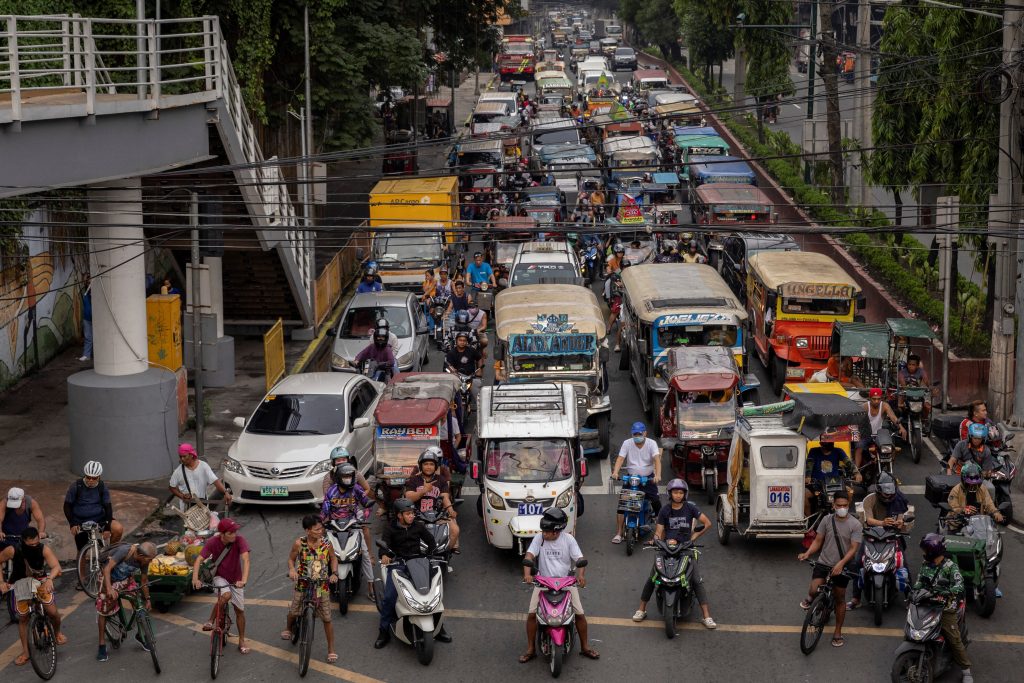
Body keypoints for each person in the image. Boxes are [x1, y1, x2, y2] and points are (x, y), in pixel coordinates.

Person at [631, 479, 717, 628]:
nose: (678, 495)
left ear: (685, 494)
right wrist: (656, 541)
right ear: (670, 493)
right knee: (653, 577)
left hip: (686, 549)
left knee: (696, 580)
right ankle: (641, 609)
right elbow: (659, 531)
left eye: (681, 492)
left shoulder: (690, 508)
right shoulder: (665, 510)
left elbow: (707, 523)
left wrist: (692, 539)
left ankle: (706, 616)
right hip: (666, 548)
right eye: (675, 492)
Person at [519, 508, 599, 663]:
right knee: (531, 615)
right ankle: (531, 649)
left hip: (566, 582)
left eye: (547, 531)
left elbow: (580, 559)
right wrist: (527, 574)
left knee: (579, 614)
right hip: (543, 582)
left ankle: (585, 647)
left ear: (556, 532)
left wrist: (580, 576)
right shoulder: (539, 538)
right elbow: (529, 556)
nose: (544, 533)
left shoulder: (568, 540)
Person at [375, 498, 448, 649]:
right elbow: (384, 544)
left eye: (412, 513)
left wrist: (432, 553)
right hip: (398, 564)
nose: (411, 516)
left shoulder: (418, 526)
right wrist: (384, 555)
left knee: (434, 592)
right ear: (399, 515)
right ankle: (383, 631)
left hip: (418, 562)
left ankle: (439, 628)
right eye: (408, 514)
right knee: (389, 598)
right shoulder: (390, 528)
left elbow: (430, 541)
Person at [797, 492, 861, 648]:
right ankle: (815, 601)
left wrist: (840, 564)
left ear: (848, 505)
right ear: (833, 506)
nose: (842, 508)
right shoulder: (826, 520)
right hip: (824, 562)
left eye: (845, 505)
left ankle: (838, 632)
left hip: (843, 566)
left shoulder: (855, 525)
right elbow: (818, 541)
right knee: (813, 590)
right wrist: (807, 553)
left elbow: (853, 549)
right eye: (839, 505)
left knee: (839, 598)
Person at [0, 526, 66, 666]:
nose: (34, 546)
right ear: (23, 541)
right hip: (19, 583)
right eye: (31, 544)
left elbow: (56, 566)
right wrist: (1, 582)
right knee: (23, 618)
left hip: (40, 581)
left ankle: (57, 632)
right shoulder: (12, 550)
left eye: (36, 543)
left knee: (53, 612)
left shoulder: (44, 549)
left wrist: (49, 579)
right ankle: (26, 652)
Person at [847, 473, 911, 609]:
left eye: (891, 493)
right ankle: (856, 598)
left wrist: (900, 523)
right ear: (879, 490)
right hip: (871, 536)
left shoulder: (900, 500)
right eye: (885, 493)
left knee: (903, 564)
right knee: (858, 563)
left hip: (893, 537)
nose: (888, 496)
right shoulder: (869, 500)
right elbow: (868, 519)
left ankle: (910, 598)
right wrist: (882, 522)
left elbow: (903, 517)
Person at [915, 534, 972, 682]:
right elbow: (920, 581)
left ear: (933, 551)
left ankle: (966, 670)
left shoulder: (950, 567)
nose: (924, 554)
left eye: (926, 551)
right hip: (926, 603)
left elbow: (959, 586)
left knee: (954, 639)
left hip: (945, 607)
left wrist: (946, 592)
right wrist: (913, 591)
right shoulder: (925, 564)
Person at [282, 515, 338, 664]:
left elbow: (333, 558)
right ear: (308, 531)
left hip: (321, 585)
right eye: (317, 529)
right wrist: (292, 570)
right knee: (294, 611)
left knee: (327, 618)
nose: (321, 531)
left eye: (321, 528)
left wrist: (334, 573)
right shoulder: (299, 543)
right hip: (303, 582)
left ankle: (331, 649)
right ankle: (288, 628)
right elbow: (291, 559)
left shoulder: (326, 543)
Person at [192, 518, 251, 654]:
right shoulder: (213, 542)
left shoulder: (239, 540)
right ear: (222, 534)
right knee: (225, 595)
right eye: (231, 532)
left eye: (235, 531)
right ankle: (210, 620)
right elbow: (199, 560)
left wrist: (244, 580)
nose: (234, 534)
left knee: (239, 611)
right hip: (220, 577)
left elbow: (246, 559)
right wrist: (195, 579)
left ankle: (241, 640)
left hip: (237, 579)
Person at [95, 541, 157, 662]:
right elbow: (107, 569)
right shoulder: (124, 551)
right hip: (109, 579)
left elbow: (144, 581)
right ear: (142, 556)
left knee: (138, 604)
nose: (151, 562)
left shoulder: (144, 561)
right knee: (104, 611)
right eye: (150, 559)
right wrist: (109, 589)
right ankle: (101, 644)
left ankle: (141, 636)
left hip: (126, 579)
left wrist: (148, 599)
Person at [321, 463, 375, 598]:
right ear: (338, 477)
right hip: (334, 525)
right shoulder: (331, 491)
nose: (348, 479)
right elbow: (325, 509)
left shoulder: (356, 489)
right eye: (345, 476)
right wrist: (321, 520)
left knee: (365, 554)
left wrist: (365, 514)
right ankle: (319, 583)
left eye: (350, 476)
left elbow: (366, 502)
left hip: (354, 524)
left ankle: (371, 585)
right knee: (321, 553)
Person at [64, 461, 125, 581]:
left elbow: (108, 507)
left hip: (99, 518)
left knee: (118, 528)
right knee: (81, 550)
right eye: (88, 477)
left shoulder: (102, 487)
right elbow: (66, 506)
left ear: (99, 477)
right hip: (81, 521)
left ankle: (109, 554)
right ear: (85, 475)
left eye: (94, 478)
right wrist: (72, 523)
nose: (91, 480)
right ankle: (81, 579)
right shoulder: (76, 486)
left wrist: (107, 527)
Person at [610, 422, 663, 544]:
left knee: (655, 501)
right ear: (632, 434)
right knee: (622, 505)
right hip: (631, 478)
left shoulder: (651, 443)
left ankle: (659, 531)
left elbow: (657, 460)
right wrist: (616, 472)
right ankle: (619, 533)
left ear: (645, 433)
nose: (637, 436)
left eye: (639, 433)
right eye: (635, 434)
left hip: (647, 479)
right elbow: (620, 458)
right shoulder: (627, 443)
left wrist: (658, 475)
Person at [405, 449, 460, 552]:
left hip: (437, 515)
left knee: (455, 530)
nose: (428, 467)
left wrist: (450, 510)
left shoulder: (441, 480)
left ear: (436, 466)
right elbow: (408, 497)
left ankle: (445, 554)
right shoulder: (414, 480)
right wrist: (423, 491)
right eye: (425, 464)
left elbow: (445, 498)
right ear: (421, 466)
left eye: (431, 464)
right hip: (417, 515)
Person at [169, 442, 232, 511]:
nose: (182, 459)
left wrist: (225, 493)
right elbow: (172, 487)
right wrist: (182, 496)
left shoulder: (203, 466)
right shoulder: (178, 471)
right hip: (187, 508)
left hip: (203, 505)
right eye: (180, 457)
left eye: (184, 456)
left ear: (191, 455)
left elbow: (215, 481)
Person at [804, 441, 860, 515]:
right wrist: (808, 476)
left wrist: (856, 473)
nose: (830, 444)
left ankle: (846, 514)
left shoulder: (838, 451)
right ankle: (809, 520)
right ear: (821, 443)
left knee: (850, 492)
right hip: (817, 484)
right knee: (804, 495)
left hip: (836, 484)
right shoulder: (813, 451)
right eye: (827, 442)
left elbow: (848, 462)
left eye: (831, 442)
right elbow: (809, 465)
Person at [855, 388, 906, 468]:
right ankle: (856, 471)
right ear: (869, 398)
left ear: (881, 398)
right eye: (874, 399)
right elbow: (856, 420)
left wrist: (901, 427)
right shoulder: (865, 406)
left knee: (891, 447)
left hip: (878, 435)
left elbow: (893, 417)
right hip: (865, 434)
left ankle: (889, 468)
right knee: (859, 447)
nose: (876, 401)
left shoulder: (884, 406)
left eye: (878, 399)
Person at [947, 462, 1005, 526]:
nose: (973, 486)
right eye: (970, 483)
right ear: (963, 480)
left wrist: (995, 513)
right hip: (958, 522)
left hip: (978, 523)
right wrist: (963, 510)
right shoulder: (956, 490)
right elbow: (953, 507)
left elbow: (989, 503)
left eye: (975, 484)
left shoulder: (982, 489)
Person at [897, 353, 933, 430]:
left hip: (918, 393)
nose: (911, 366)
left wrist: (929, 387)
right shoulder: (902, 372)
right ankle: (902, 417)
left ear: (917, 365)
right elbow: (903, 384)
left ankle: (924, 421)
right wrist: (905, 387)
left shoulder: (921, 371)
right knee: (900, 405)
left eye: (913, 365)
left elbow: (926, 382)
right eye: (909, 364)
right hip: (905, 392)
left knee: (927, 407)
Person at [445, 331, 483, 401]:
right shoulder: (451, 353)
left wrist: (480, 369)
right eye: (460, 340)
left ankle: (479, 408)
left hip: (471, 376)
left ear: (466, 342)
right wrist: (453, 371)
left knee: (479, 395)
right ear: (456, 341)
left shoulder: (472, 350)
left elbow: (479, 358)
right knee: (450, 395)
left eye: (464, 341)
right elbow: (449, 365)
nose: (462, 342)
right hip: (457, 377)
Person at [79, 273, 92, 361]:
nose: (89, 284)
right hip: (87, 318)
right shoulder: (85, 293)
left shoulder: (96, 293)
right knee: (88, 337)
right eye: (88, 283)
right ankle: (87, 355)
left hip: (97, 318)